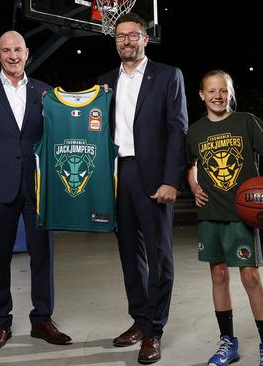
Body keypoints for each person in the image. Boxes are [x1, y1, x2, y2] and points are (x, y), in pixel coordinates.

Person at [0, 30, 72, 350]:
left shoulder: (47, 93)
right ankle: (1, 322)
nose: (13, 55)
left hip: (40, 188)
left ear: (27, 53)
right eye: (6, 50)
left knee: (43, 256)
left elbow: (63, 135)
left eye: (18, 50)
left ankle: (42, 319)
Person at [97, 13, 188, 364]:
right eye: (120, 36)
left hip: (153, 176)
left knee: (159, 256)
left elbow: (177, 130)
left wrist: (171, 180)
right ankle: (139, 319)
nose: (125, 41)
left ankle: (155, 331)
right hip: (118, 175)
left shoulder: (168, 75)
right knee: (129, 256)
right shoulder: (104, 82)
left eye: (132, 35)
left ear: (145, 39)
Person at [186, 70, 263, 366]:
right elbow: (192, 165)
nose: (217, 96)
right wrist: (194, 185)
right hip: (210, 213)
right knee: (218, 275)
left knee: (249, 277)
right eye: (212, 91)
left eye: (223, 90)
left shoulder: (246, 121)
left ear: (230, 93)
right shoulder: (194, 131)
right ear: (202, 95)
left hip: (242, 214)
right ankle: (227, 343)